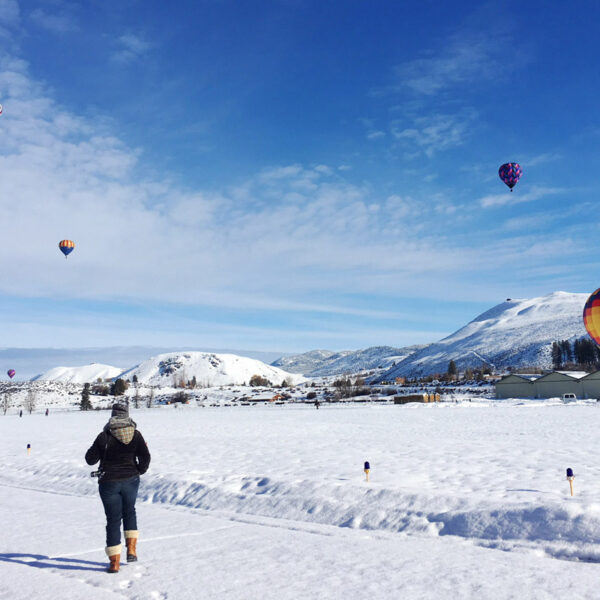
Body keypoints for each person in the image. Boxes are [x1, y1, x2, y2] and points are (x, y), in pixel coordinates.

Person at [85, 403, 151, 573]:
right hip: (131, 480)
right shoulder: (136, 434)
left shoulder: (104, 436)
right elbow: (145, 456)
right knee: (129, 511)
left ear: (112, 415)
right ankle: (131, 550)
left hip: (109, 482)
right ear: (127, 415)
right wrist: (139, 470)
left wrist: (98, 445)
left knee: (113, 520)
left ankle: (114, 562)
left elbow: (90, 460)